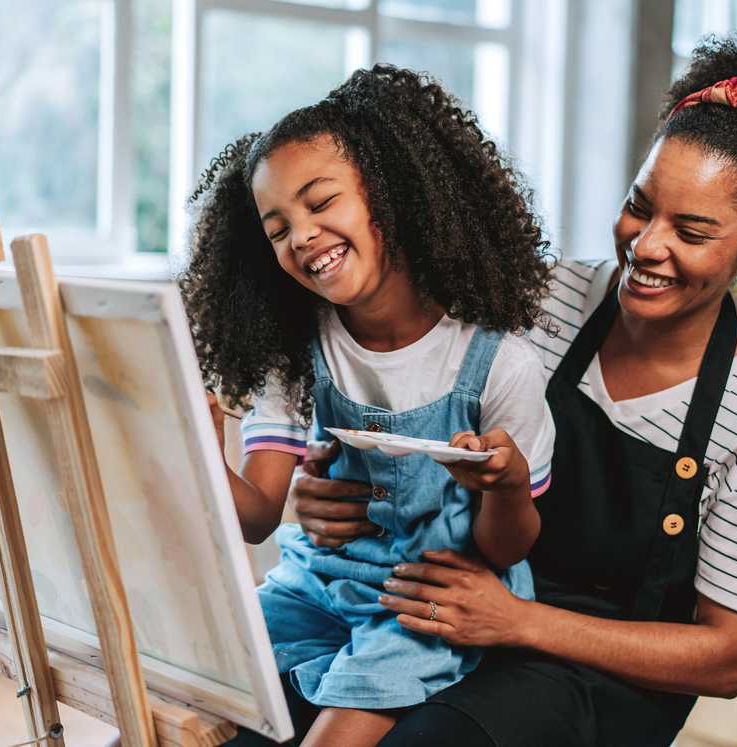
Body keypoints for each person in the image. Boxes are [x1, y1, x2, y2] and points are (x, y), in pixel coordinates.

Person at [289, 27, 737, 746]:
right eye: (640, 205)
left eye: (690, 231)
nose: (647, 245)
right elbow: (429, 412)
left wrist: (518, 619)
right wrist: (330, 490)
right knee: (270, 701)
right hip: (475, 600)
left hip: (600, 682)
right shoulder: (548, 297)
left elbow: (727, 657)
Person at [179, 65, 556, 746]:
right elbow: (259, 516)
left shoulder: (498, 363)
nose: (302, 235)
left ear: (392, 193)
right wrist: (199, 450)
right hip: (316, 584)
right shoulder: (296, 349)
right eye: (278, 227)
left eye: (321, 202)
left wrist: (503, 484)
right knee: (195, 675)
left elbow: (509, 545)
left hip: (426, 601)